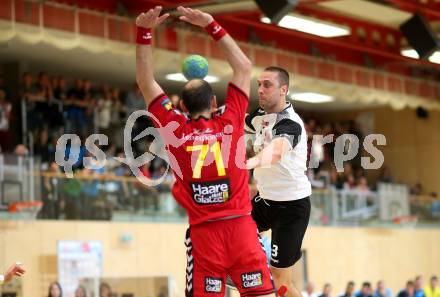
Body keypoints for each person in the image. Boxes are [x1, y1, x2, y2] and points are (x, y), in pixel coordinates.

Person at [135, 6, 274, 297]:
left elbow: (146, 83)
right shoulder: (231, 121)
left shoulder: (174, 129)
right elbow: (244, 66)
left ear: (182, 107)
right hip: (241, 230)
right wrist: (211, 24)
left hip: (204, 235)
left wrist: (144, 32)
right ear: (214, 103)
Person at [245, 66, 311, 297]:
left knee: (281, 284)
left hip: (291, 208)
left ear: (284, 90)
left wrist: (244, 165)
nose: (260, 90)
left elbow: (274, 154)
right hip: (265, 202)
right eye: (259, 85)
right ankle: (245, 270)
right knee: (229, 228)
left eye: (267, 85)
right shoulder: (258, 117)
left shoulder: (291, 124)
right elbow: (234, 124)